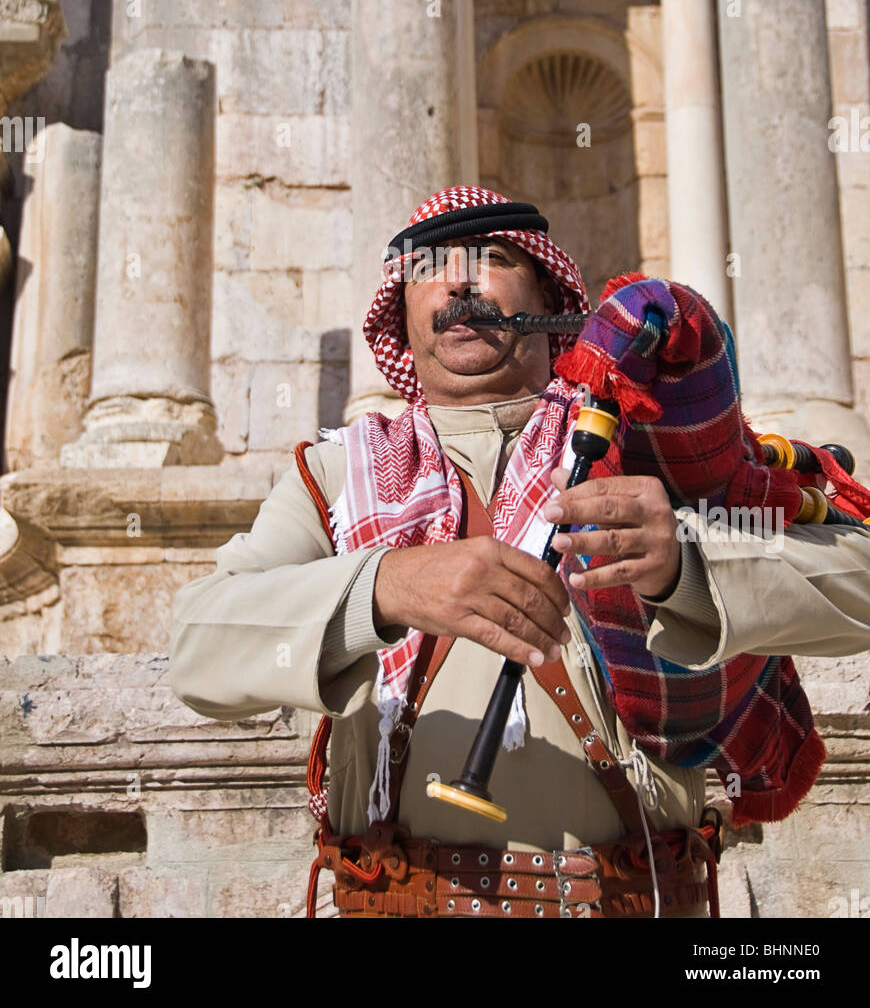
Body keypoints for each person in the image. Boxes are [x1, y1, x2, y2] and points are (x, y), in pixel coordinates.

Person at [169, 185, 870, 919]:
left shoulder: (647, 448)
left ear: (545, 293)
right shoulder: (337, 476)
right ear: (399, 320)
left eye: (492, 259)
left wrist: (686, 563)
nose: (459, 282)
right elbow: (197, 649)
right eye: (428, 269)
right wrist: (385, 587)